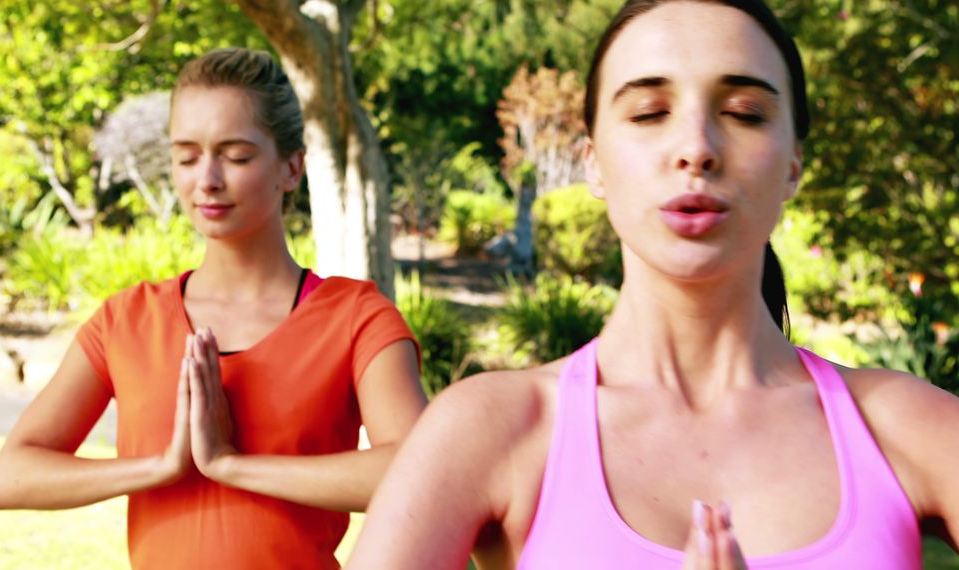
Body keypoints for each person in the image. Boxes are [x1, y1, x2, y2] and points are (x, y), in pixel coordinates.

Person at [345, 1, 959, 568]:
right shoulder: (488, 428)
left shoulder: (913, 429)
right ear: (593, 161)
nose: (696, 148)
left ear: (794, 163)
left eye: (744, 113)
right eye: (649, 113)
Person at [0, 48, 427, 569]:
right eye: (187, 156)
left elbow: (421, 471)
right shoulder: (126, 320)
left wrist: (232, 465)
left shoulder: (357, 318)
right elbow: (10, 477)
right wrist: (160, 468)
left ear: (291, 167)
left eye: (236, 156)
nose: (207, 180)